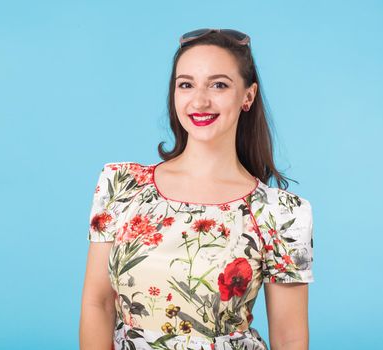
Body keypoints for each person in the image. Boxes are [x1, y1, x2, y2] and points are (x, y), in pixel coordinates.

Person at [79, 28, 314, 350]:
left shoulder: (282, 212)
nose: (200, 101)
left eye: (219, 85)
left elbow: (290, 338)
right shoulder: (121, 184)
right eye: (186, 84)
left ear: (248, 95)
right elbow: (98, 303)